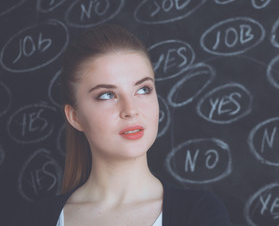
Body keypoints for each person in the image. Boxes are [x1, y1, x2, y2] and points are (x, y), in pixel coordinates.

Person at [14, 24, 230, 226]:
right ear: (75, 117)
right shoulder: (34, 218)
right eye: (107, 95)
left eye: (143, 89)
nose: (130, 109)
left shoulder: (199, 212)